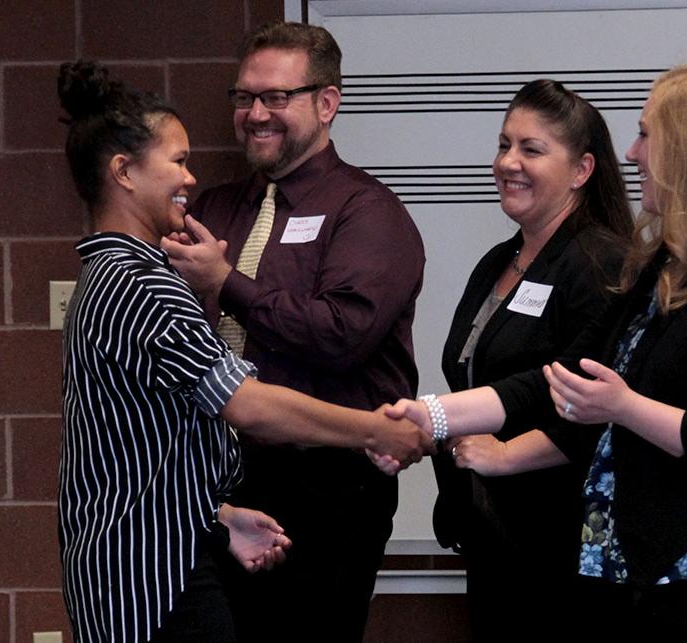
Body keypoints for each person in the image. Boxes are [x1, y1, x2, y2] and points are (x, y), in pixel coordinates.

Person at [384, 63, 687, 640]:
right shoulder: (661, 268)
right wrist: (431, 414)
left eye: (647, 134)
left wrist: (625, 407)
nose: (635, 152)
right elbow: (554, 379)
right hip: (643, 572)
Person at [56, 60, 430, 643]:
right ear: (123, 172)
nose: (189, 177)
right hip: (152, 574)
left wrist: (218, 517)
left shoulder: (109, 273)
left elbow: (149, 444)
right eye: (177, 161)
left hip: (169, 544)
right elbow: (244, 404)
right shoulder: (139, 281)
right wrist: (376, 431)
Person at [159, 21, 426, 641]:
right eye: (244, 97)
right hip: (217, 485)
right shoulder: (215, 209)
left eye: (277, 97)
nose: (256, 114)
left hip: (324, 488)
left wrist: (227, 282)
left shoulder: (368, 213)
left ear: (326, 103)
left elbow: (343, 335)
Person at [428, 79, 633, 641]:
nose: (507, 162)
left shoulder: (600, 262)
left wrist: (442, 421)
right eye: (503, 144)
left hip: (561, 542)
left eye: (531, 149)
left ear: (582, 170)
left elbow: (575, 395)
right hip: (491, 533)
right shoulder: (499, 259)